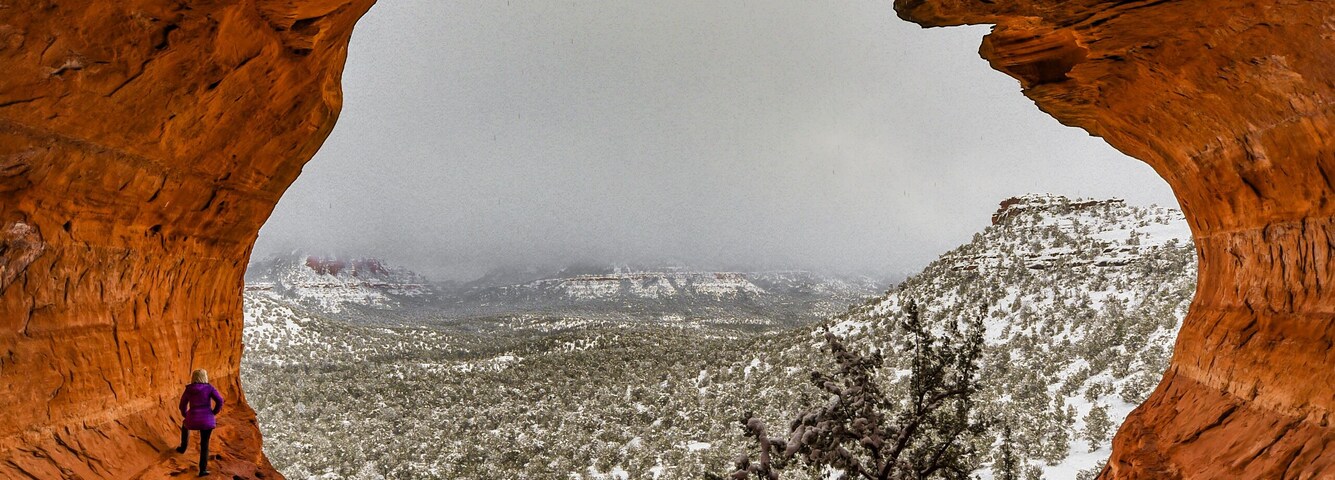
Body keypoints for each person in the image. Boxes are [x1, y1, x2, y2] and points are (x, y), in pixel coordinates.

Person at [176, 368, 224, 477]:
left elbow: (182, 404)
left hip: (192, 418)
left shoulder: (189, 389)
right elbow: (220, 400)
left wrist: (185, 415)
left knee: (185, 425)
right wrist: (214, 412)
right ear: (205, 377)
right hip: (207, 420)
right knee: (204, 444)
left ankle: (183, 448)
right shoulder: (209, 388)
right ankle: (202, 470)